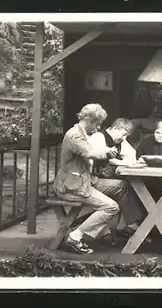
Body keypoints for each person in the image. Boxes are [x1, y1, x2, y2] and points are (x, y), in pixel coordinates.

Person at [53, 103, 121, 254]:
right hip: (71, 187)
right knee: (111, 207)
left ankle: (110, 230)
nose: (97, 128)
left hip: (84, 182)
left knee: (121, 186)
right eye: (97, 124)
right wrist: (108, 152)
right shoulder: (74, 135)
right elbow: (90, 153)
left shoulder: (82, 133)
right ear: (89, 120)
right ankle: (75, 236)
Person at [88, 118, 146, 245]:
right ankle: (130, 225)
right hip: (92, 179)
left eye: (126, 135)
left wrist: (130, 161)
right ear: (115, 129)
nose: (124, 138)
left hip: (104, 177)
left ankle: (123, 226)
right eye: (123, 134)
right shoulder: (99, 137)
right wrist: (123, 162)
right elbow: (103, 157)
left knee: (132, 183)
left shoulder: (119, 140)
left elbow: (131, 153)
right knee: (124, 186)